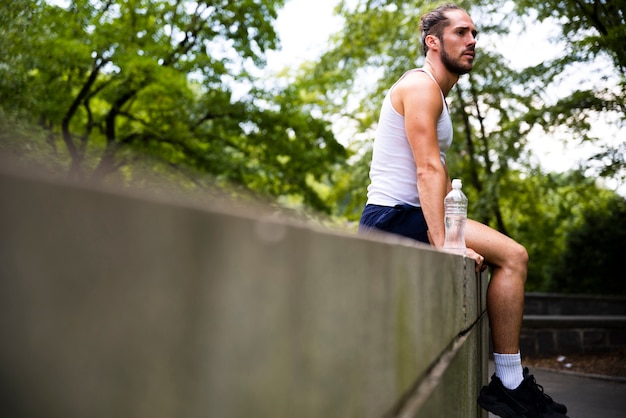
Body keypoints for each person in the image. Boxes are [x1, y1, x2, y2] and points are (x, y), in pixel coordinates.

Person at [358, 4, 568, 418]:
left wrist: (450, 232)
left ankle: (509, 384)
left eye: (474, 33)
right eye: (460, 33)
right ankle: (508, 386)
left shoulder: (436, 93)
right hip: (392, 219)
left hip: (408, 216)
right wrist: (446, 243)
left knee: (506, 257)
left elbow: (439, 173)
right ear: (432, 42)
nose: (472, 41)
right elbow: (427, 169)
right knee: (514, 256)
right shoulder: (420, 87)